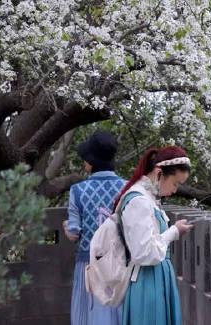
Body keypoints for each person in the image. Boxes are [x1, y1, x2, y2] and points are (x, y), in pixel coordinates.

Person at [114, 144, 192, 325]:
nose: (174, 190)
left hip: (155, 279)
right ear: (159, 173)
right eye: (175, 183)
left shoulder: (147, 198)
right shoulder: (139, 201)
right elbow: (143, 252)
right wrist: (173, 232)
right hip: (147, 282)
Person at [64, 130, 126, 325]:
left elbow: (74, 234)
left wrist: (66, 226)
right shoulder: (128, 189)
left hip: (89, 265)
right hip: (120, 264)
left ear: (90, 162)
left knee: (88, 316)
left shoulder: (77, 191)